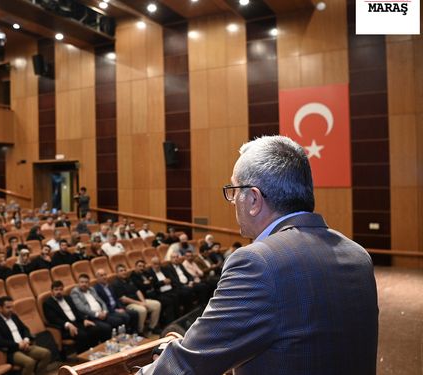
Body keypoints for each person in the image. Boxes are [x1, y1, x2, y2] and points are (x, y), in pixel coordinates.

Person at [139, 136, 379, 374]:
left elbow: (187, 366)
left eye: (233, 190)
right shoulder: (357, 255)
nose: (232, 201)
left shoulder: (259, 263)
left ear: (253, 199)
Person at [0, 297, 51, 375]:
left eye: (12, 307)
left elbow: (25, 329)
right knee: (30, 362)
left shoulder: (14, 316)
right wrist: (18, 345)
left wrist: (26, 339)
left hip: (25, 345)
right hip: (12, 351)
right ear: (0, 308)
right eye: (8, 307)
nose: (11, 309)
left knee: (46, 353)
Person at [42, 281, 108, 352]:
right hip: (65, 328)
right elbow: (53, 319)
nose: (59, 292)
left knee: (95, 329)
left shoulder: (67, 298)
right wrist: (67, 324)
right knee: (83, 335)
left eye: (61, 289)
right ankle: (83, 356)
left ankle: (95, 351)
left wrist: (84, 320)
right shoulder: (48, 303)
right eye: (56, 290)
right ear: (52, 291)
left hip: (77, 323)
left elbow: (76, 311)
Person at [112, 264, 161, 335]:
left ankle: (152, 328)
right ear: (117, 273)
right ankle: (140, 331)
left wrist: (143, 301)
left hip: (139, 301)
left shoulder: (129, 280)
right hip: (129, 304)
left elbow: (137, 291)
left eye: (125, 270)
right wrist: (140, 303)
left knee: (157, 304)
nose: (124, 272)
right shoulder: (116, 283)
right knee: (142, 310)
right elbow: (124, 299)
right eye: (121, 271)